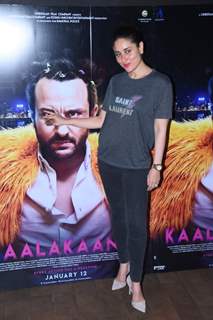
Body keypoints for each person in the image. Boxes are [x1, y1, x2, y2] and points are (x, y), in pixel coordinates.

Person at [44, 26, 173, 313]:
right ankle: (124, 265)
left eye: (128, 51)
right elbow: (100, 121)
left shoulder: (160, 84)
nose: (123, 58)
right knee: (120, 220)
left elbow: (160, 129)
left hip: (138, 165)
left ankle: (136, 284)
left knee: (138, 225)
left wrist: (157, 166)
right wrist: (63, 120)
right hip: (109, 161)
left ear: (140, 47)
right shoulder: (116, 82)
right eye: (117, 54)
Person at [0, 58, 112, 259]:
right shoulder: (5, 181)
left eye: (74, 114)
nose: (61, 130)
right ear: (31, 117)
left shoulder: (115, 172)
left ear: (93, 114)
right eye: (48, 116)